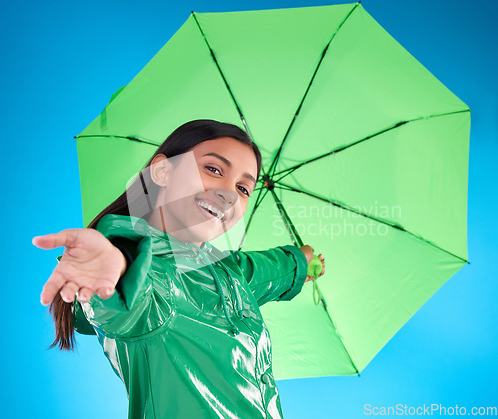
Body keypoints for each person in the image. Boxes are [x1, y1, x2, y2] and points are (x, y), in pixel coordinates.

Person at [33, 119, 325, 419]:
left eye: (243, 188)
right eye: (213, 169)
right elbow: (125, 300)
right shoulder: (151, 278)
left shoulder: (227, 271)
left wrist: (301, 261)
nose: (229, 194)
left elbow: (264, 271)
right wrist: (111, 269)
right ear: (162, 171)